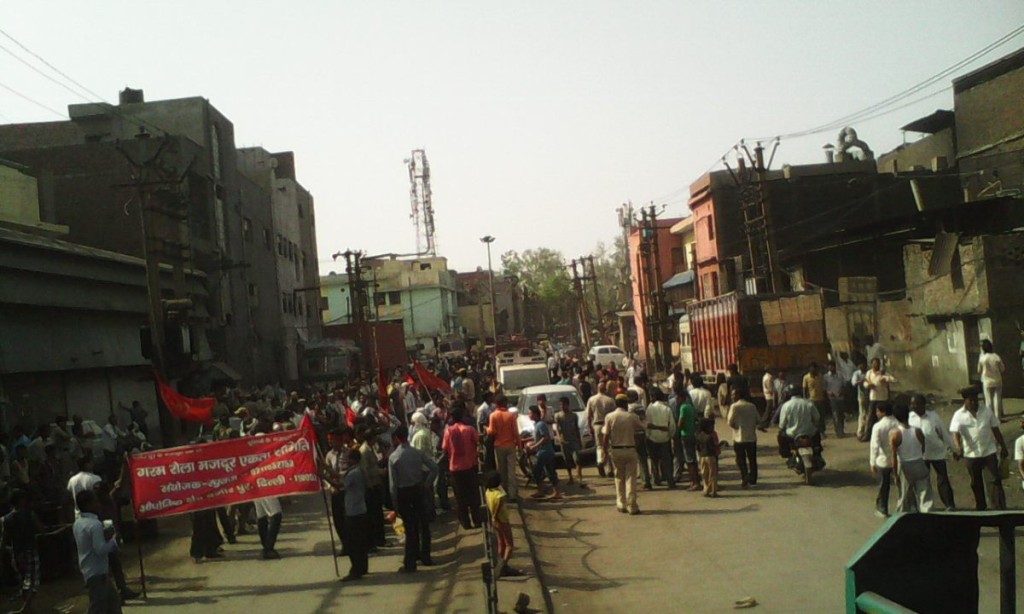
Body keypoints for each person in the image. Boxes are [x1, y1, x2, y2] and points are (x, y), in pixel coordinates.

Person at [389, 425, 439, 573]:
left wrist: (395, 505)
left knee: (410, 529)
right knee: (424, 525)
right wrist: (427, 484)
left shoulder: (394, 457)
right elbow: (434, 468)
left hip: (404, 493)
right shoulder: (418, 453)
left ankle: (411, 562)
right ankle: (426, 557)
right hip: (418, 490)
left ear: (397, 438)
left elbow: (393, 485)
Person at [949, 386, 1008, 511]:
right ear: (965, 401)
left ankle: (998, 509)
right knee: (976, 483)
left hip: (989, 452)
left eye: (975, 399)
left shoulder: (987, 411)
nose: (974, 402)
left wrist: (1003, 446)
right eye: (970, 400)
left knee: (994, 481)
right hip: (971, 455)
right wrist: (959, 448)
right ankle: (981, 507)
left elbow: (995, 429)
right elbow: (955, 433)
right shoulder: (958, 415)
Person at [72, 489, 122, 614]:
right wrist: (114, 541)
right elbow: (100, 550)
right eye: (95, 501)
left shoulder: (78, 523)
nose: (98, 504)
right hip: (98, 573)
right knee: (98, 607)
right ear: (89, 504)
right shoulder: (95, 525)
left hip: (90, 571)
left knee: (113, 604)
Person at [908, 394, 956, 510]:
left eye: (916, 404)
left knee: (943, 480)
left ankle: (950, 505)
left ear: (923, 405)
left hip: (937, 453)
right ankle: (924, 506)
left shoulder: (933, 417)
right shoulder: (910, 417)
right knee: (922, 482)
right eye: (912, 404)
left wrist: (953, 449)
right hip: (920, 455)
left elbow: (944, 433)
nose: (913, 406)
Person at [442, 405, 483, 529]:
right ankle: (477, 520)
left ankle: (466, 523)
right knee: (473, 496)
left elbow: (444, 449)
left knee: (460, 498)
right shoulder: (469, 429)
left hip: (455, 469)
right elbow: (477, 441)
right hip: (470, 466)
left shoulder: (448, 431)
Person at [3, 489, 43, 613]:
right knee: (32, 581)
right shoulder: (29, 514)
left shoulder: (6, 519)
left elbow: (4, 539)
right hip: (29, 551)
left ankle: (27, 607)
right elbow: (41, 528)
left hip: (16, 553)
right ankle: (26, 608)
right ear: (21, 501)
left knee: (24, 581)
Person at [602, 395, 643, 514]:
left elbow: (605, 436)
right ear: (625, 404)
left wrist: (605, 452)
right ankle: (632, 505)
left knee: (619, 477)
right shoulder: (632, 417)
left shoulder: (609, 417)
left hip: (616, 450)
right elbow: (642, 427)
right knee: (631, 478)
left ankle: (621, 503)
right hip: (630, 449)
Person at [890, 404, 934, 513]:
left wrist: (895, 474)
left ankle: (902, 519)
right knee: (925, 494)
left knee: (904, 496)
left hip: (905, 465)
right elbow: (923, 447)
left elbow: (893, 456)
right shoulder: (917, 431)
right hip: (919, 462)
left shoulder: (895, 434)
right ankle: (928, 516)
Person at [484, 471, 523, 579]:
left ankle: (499, 563)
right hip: (502, 520)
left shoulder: (488, 492)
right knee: (509, 544)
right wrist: (495, 517)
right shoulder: (500, 495)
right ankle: (502, 566)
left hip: (495, 520)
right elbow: (498, 506)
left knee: (501, 542)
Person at [324, 428, 354, 556]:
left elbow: (350, 471)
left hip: (347, 491)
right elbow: (326, 473)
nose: (330, 443)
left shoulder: (349, 453)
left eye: (332, 440)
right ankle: (344, 545)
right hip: (335, 492)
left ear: (340, 440)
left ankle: (351, 545)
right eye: (329, 440)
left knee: (348, 520)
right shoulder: (329, 455)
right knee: (338, 521)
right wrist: (330, 486)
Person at [340, 447, 369, 581]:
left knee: (354, 543)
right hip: (360, 509)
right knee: (361, 541)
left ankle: (356, 570)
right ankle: (362, 567)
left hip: (354, 511)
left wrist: (324, 478)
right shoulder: (357, 471)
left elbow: (340, 485)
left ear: (353, 459)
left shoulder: (354, 473)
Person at [487, 395, 520, 503]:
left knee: (501, 470)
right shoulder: (511, 416)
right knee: (511, 471)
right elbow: (516, 432)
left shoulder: (493, 415)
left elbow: (492, 432)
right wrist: (519, 446)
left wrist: (486, 429)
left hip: (499, 446)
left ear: (496, 404)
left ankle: (504, 492)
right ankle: (512, 494)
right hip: (510, 445)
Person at [869, 404, 899, 517]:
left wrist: (872, 462)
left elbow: (874, 446)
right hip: (898, 459)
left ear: (882, 412)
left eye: (877, 411)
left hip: (883, 460)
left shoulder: (878, 426)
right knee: (900, 484)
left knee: (884, 486)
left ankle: (883, 508)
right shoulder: (897, 423)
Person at [526, 406, 562, 500]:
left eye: (530, 413)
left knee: (537, 471)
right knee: (549, 472)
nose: (529, 415)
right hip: (544, 451)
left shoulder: (541, 425)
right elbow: (539, 438)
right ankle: (554, 492)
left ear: (535, 414)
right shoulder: (537, 424)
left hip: (544, 452)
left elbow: (545, 438)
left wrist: (534, 446)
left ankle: (545, 491)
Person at [727, 388, 759, 488]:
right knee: (752, 459)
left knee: (741, 459)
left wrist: (735, 427)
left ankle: (744, 477)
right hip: (751, 437)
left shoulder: (734, 407)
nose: (732, 397)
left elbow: (730, 422)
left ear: (738, 395)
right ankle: (753, 479)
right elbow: (758, 419)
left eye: (733, 395)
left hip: (739, 437)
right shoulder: (752, 406)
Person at [645, 388, 675, 489]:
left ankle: (656, 479)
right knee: (667, 462)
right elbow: (672, 426)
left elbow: (647, 424)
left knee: (654, 461)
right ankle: (670, 481)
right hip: (664, 439)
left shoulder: (650, 408)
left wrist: (648, 435)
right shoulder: (667, 409)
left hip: (652, 438)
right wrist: (670, 435)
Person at [586, 382, 616, 478]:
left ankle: (600, 461)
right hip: (607, 424)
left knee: (600, 446)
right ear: (605, 389)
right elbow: (613, 414)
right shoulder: (610, 400)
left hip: (597, 425)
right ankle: (610, 469)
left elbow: (589, 415)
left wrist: (590, 427)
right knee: (609, 447)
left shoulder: (591, 399)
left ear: (598, 389)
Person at [675, 386, 701, 491]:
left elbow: (680, 422)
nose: (676, 400)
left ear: (682, 397)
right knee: (693, 459)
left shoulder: (683, 407)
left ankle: (695, 482)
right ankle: (695, 481)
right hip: (692, 434)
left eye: (677, 398)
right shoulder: (690, 406)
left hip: (685, 435)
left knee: (689, 460)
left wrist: (676, 433)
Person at [555, 397, 584, 485]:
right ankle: (570, 477)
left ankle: (580, 479)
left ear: (568, 405)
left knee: (577, 459)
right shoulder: (558, 416)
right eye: (561, 405)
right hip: (564, 442)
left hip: (574, 440)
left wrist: (579, 441)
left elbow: (576, 428)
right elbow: (557, 428)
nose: (562, 406)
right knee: (567, 461)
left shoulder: (574, 416)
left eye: (564, 404)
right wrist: (559, 437)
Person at [977, 339, 1006, 421]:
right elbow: (1002, 369)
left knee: (988, 401)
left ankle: (990, 419)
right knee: (997, 399)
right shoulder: (996, 356)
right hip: (997, 380)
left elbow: (978, 370)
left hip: (987, 381)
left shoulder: (982, 358)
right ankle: (998, 418)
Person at [695, 418, 720, 497]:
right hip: (710, 456)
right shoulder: (709, 437)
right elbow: (713, 447)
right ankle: (713, 491)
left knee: (704, 475)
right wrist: (720, 445)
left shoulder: (698, 436)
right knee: (712, 474)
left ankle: (706, 490)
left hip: (702, 457)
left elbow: (697, 447)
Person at [803, 363, 829, 436]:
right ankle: (814, 432)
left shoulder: (820, 376)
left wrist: (825, 397)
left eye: (815, 368)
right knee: (813, 417)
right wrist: (805, 399)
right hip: (811, 400)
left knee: (821, 416)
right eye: (812, 368)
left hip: (820, 399)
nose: (813, 370)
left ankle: (822, 431)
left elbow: (823, 388)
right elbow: (804, 389)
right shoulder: (806, 377)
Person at [823, 361, 847, 437]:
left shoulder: (840, 375)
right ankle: (838, 432)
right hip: (832, 398)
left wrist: (842, 391)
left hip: (840, 397)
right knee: (835, 414)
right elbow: (824, 388)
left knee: (841, 415)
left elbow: (844, 384)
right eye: (829, 366)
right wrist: (828, 393)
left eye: (832, 366)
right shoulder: (825, 377)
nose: (831, 368)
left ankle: (842, 430)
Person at [851, 361, 871, 442]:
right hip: (862, 396)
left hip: (870, 396)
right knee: (862, 413)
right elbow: (853, 383)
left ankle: (867, 431)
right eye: (860, 365)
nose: (861, 366)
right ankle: (860, 432)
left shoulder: (869, 372)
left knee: (869, 414)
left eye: (863, 364)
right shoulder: (857, 373)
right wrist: (861, 381)